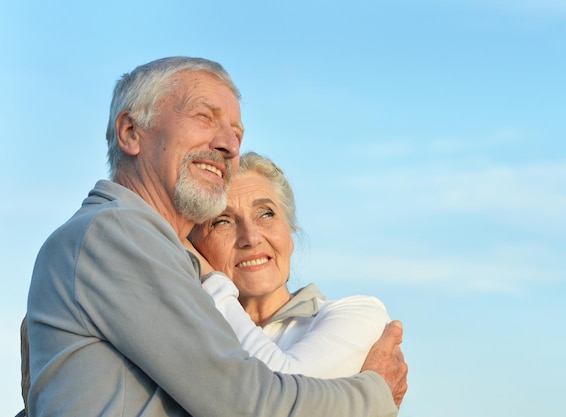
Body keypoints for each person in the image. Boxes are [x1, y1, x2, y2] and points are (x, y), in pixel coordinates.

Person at [25, 56, 408, 417]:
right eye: (204, 117)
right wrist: (374, 392)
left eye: (236, 132)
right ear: (130, 132)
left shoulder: (142, 248)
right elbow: (246, 404)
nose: (229, 144)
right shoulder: (116, 233)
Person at [187, 151, 391, 378]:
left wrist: (208, 277)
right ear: (192, 244)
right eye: (222, 220)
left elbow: (283, 390)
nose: (251, 238)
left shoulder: (358, 314)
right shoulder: (186, 335)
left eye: (265, 214)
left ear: (289, 231)